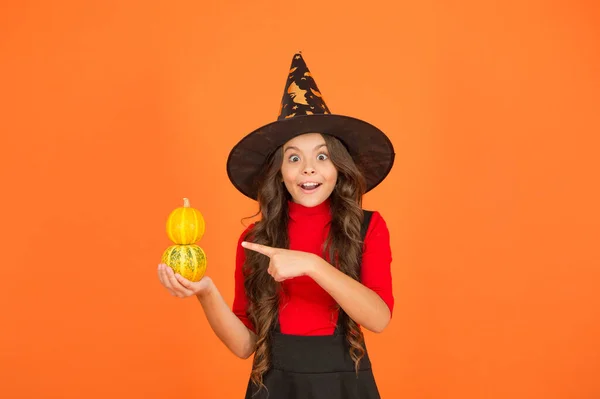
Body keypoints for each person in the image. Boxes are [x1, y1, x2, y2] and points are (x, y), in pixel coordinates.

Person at [157, 53, 396, 399]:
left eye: (322, 156)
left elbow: (379, 319)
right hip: (275, 387)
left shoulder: (368, 227)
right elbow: (244, 345)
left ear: (339, 168)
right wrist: (205, 292)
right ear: (280, 174)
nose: (308, 169)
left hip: (345, 387)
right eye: (294, 158)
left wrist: (312, 265)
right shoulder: (255, 240)